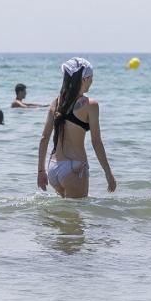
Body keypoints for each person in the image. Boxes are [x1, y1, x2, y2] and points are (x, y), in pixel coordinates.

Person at [37, 58, 117, 198]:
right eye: (91, 77)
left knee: (60, 217)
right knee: (75, 217)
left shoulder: (56, 103)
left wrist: (41, 171)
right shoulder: (90, 105)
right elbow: (96, 142)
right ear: (84, 79)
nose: (92, 81)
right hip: (74, 169)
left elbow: (44, 139)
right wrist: (108, 173)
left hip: (53, 168)